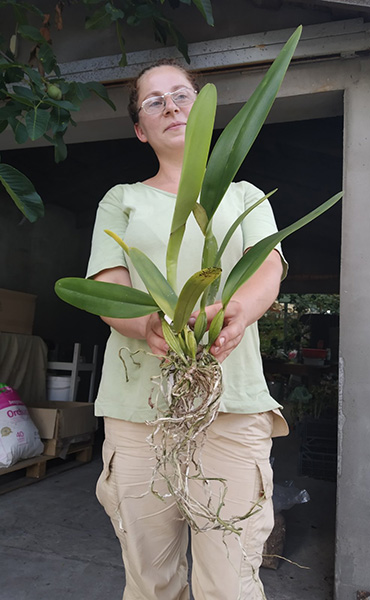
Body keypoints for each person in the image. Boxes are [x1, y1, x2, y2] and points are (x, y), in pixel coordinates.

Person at [86, 58, 289, 600]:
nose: (171, 107)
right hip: (138, 411)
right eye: (154, 101)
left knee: (231, 582)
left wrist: (236, 314)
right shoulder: (122, 199)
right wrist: (148, 322)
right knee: (151, 582)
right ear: (139, 129)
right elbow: (107, 288)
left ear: (203, 112)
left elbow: (266, 267)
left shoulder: (243, 195)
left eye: (182, 95)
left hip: (231, 404)